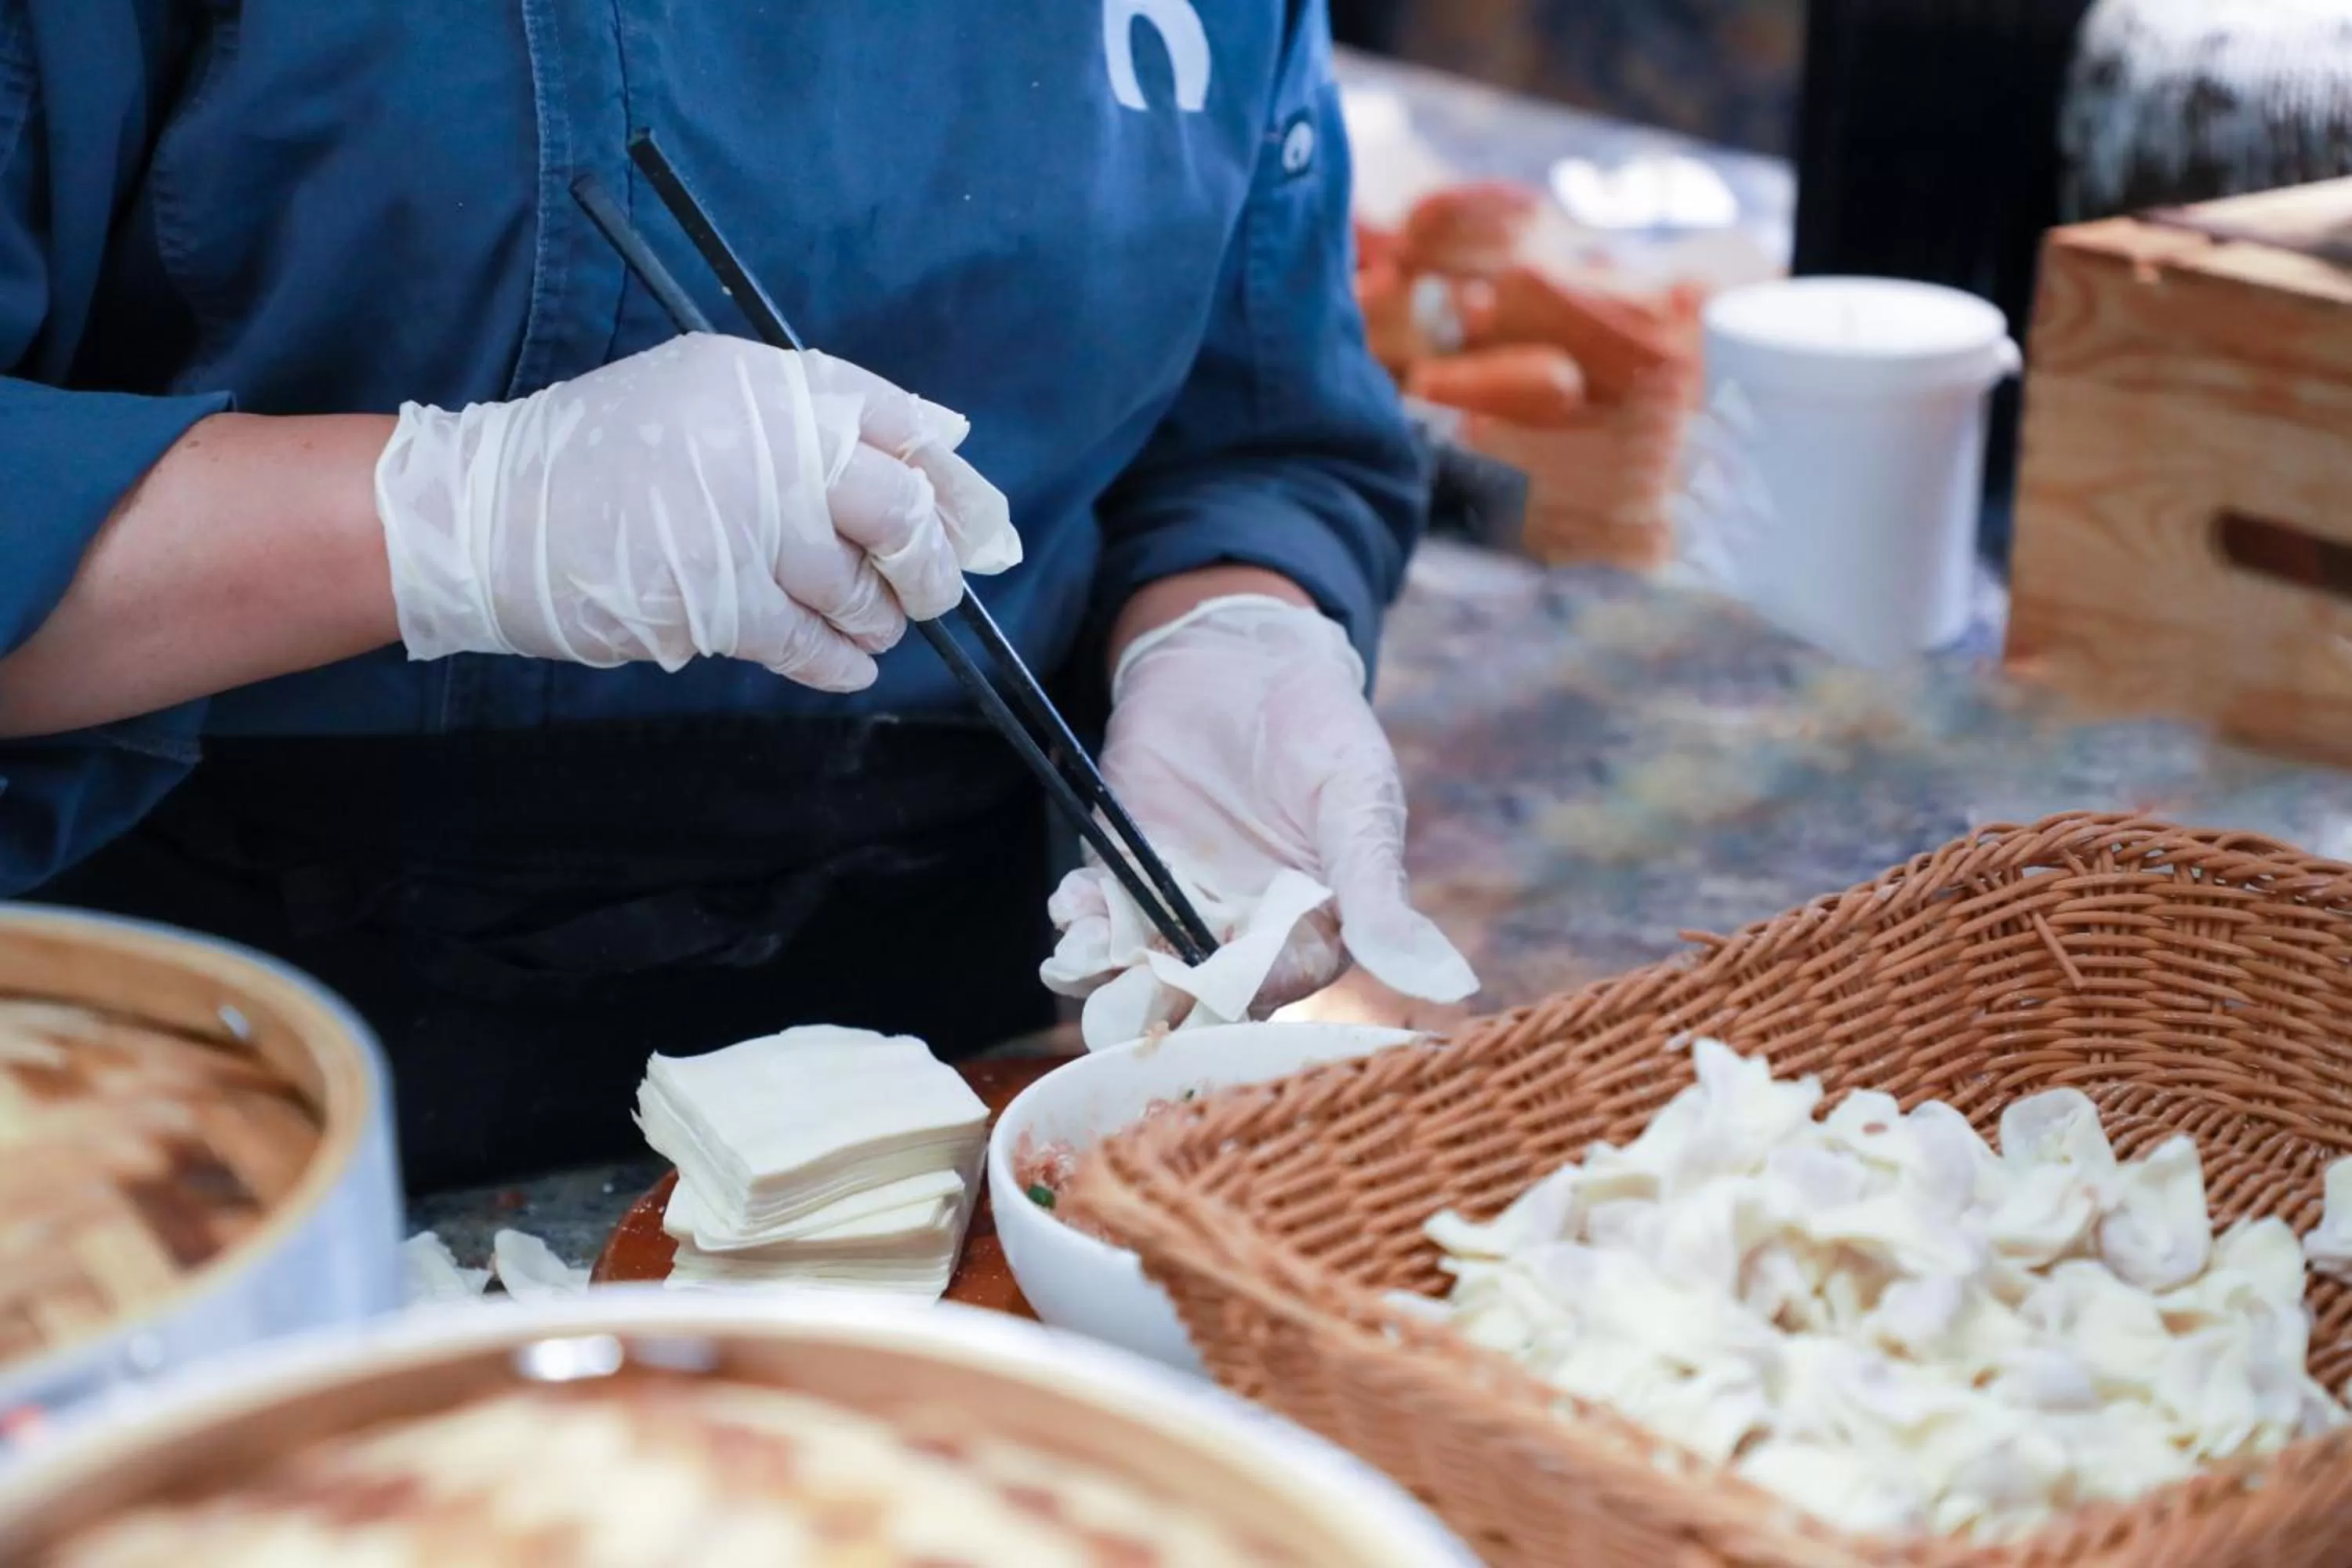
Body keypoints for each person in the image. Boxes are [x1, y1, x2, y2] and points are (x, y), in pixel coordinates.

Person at [0, 0, 1473, 1191]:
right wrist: (453, 515)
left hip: (984, 1059)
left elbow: (1249, 431)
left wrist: (1231, 627)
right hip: (175, 1076)